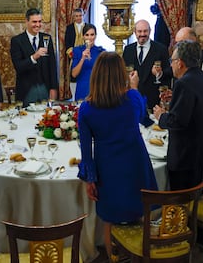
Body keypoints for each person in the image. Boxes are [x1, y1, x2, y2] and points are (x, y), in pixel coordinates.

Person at [77, 51, 158, 259]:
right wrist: (134, 87)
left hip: (108, 166)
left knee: (109, 220)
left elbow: (86, 151)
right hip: (135, 162)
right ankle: (140, 255)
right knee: (139, 212)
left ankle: (113, 257)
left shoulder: (86, 108)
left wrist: (90, 179)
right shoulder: (131, 98)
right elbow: (142, 115)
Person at [153, 41, 203, 190]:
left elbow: (177, 122)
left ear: (180, 63)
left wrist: (161, 116)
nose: (171, 65)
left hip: (185, 158)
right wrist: (175, 98)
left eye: (172, 61)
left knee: (179, 205)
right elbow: (195, 107)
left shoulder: (183, 83)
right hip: (201, 153)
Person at [10, 8, 58, 107]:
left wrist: (53, 88)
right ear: (26, 21)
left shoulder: (46, 38)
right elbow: (18, 66)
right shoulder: (17, 41)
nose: (37, 25)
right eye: (34, 22)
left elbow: (52, 66)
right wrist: (34, 57)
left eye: (40, 21)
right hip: (26, 90)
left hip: (45, 88)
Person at [122, 19, 170, 110]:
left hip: (153, 99)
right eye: (139, 31)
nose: (142, 34)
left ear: (150, 31)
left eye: (145, 31)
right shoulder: (128, 50)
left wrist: (160, 74)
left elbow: (169, 72)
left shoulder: (161, 49)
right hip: (132, 99)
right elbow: (123, 72)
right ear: (135, 32)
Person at [71, 23, 105, 100]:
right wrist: (82, 58)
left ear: (95, 36)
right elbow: (74, 74)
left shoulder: (101, 52)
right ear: (83, 37)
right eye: (87, 35)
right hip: (82, 88)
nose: (89, 38)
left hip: (97, 89)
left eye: (92, 35)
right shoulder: (77, 51)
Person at [64, 8, 85, 99]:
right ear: (73, 17)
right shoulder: (69, 28)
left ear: (83, 16)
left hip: (86, 55)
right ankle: (74, 97)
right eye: (76, 16)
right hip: (74, 56)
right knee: (74, 76)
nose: (78, 18)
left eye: (80, 16)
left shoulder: (88, 26)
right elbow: (67, 43)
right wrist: (72, 54)